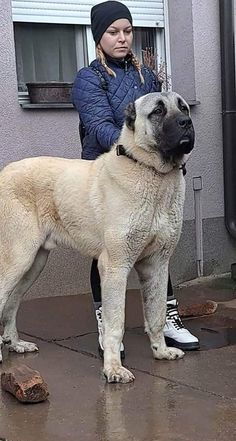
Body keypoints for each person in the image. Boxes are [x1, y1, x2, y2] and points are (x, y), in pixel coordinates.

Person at [72, 0, 199, 358]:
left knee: (159, 245)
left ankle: (166, 319)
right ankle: (105, 323)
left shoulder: (147, 77)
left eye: (127, 31)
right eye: (113, 32)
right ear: (99, 36)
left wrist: (168, 152)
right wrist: (139, 151)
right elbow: (98, 127)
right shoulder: (89, 78)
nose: (122, 38)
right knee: (108, 251)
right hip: (108, 172)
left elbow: (164, 119)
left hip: (152, 172)